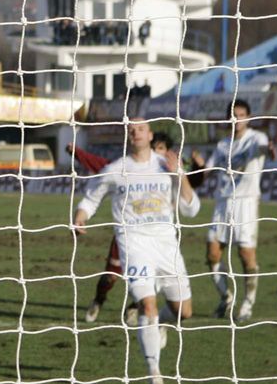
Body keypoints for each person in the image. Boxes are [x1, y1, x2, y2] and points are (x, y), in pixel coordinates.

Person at [74, 118, 199, 384]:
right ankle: (155, 376)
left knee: (184, 311)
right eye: (131, 129)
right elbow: (91, 199)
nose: (135, 132)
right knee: (147, 304)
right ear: (127, 136)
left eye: (141, 128)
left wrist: (180, 174)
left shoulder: (164, 165)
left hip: (167, 244)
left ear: (150, 134)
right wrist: (80, 217)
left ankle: (163, 325)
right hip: (134, 244)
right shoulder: (116, 170)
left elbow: (191, 209)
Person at [71, 132, 193, 323]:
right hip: (130, 238)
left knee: (169, 300)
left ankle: (138, 310)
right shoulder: (123, 168)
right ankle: (99, 300)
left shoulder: (168, 169)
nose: (158, 152)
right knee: (110, 277)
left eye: (163, 149)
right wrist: (77, 153)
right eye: (156, 148)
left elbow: (193, 191)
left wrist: (193, 169)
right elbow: (97, 167)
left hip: (161, 241)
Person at [189, 99, 276, 322]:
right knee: (212, 253)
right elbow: (205, 173)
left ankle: (248, 302)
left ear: (249, 117)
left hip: (246, 203)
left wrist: (271, 149)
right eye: (234, 114)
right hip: (223, 203)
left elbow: (265, 148)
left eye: (242, 114)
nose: (237, 118)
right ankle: (226, 296)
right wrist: (196, 167)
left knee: (246, 255)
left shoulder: (256, 138)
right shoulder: (222, 145)